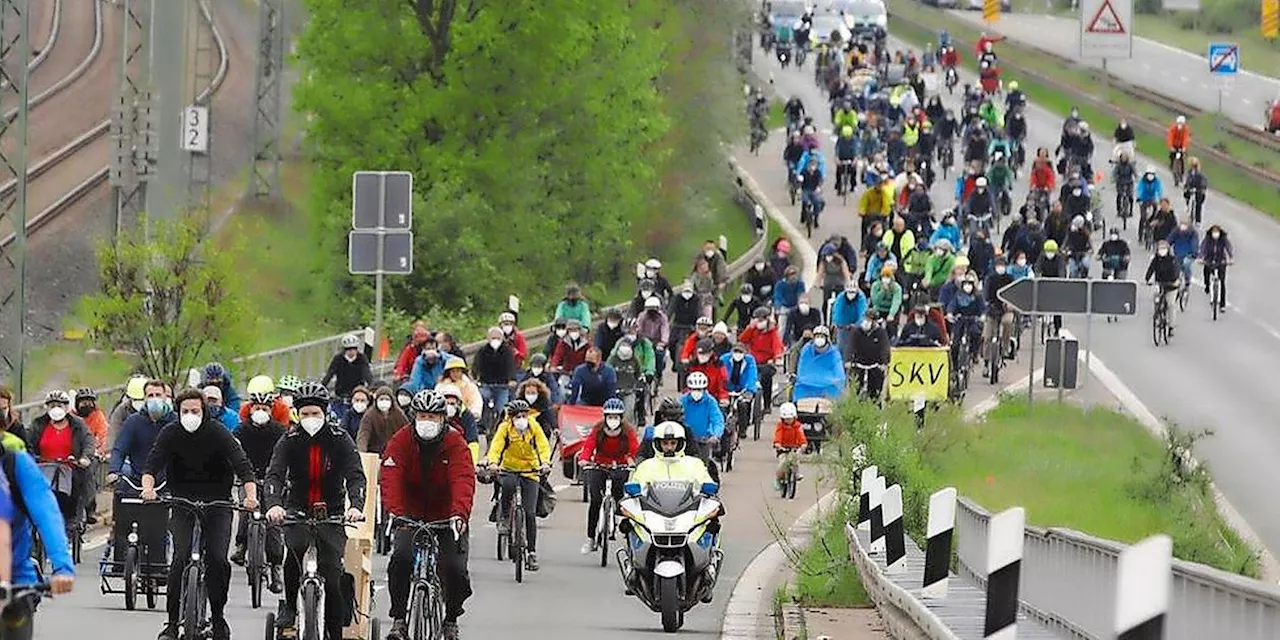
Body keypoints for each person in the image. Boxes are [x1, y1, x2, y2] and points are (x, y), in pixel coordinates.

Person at [141, 388, 258, 640]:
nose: (190, 415)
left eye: (195, 411)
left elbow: (243, 466)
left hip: (218, 504)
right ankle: (172, 624)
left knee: (217, 559)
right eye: (185, 411)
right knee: (179, 558)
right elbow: (152, 463)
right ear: (178, 412)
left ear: (204, 412)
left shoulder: (218, 432)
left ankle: (218, 618)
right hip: (183, 502)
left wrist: (251, 497)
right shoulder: (170, 433)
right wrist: (148, 488)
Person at [264, 382, 366, 639]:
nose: (311, 419)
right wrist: (275, 504)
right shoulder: (289, 440)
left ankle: (335, 633)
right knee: (294, 553)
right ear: (298, 414)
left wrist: (355, 506)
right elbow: (275, 474)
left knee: (332, 575)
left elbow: (355, 476)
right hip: (297, 507)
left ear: (325, 413)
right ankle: (289, 606)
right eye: (305, 414)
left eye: (316, 414)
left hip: (331, 511)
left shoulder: (340, 439)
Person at [380, 390, 474, 640]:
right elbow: (390, 476)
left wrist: (459, 515)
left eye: (433, 417)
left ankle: (451, 619)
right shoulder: (401, 440)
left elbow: (463, 479)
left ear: (443, 419)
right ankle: (399, 620)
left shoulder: (456, 444)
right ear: (414, 417)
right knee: (399, 560)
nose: (427, 422)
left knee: (455, 570)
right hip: (409, 515)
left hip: (445, 517)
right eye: (422, 416)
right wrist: (396, 513)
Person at [229, 392, 285, 593]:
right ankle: (241, 546)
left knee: (273, 523)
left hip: (272, 479)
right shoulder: (241, 430)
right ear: (250, 409)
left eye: (265, 408)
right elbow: (233, 452)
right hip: (248, 478)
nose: (260, 412)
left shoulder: (279, 431)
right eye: (257, 408)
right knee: (246, 509)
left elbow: (285, 457)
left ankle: (276, 568)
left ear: (271, 410)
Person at [485, 400, 551, 571]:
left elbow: (543, 446)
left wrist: (545, 463)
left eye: (524, 415)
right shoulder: (504, 429)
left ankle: (531, 552)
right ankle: (505, 517)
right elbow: (496, 447)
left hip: (531, 470)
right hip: (509, 468)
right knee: (507, 486)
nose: (522, 419)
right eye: (518, 416)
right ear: (511, 418)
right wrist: (493, 462)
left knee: (530, 512)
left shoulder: (533, 427)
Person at [577, 398, 639, 554]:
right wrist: (584, 459)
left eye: (616, 417)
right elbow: (589, 445)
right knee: (596, 501)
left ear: (621, 417)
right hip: (599, 465)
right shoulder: (598, 430)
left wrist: (633, 460)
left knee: (619, 498)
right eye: (610, 417)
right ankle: (591, 539)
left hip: (620, 465)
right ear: (605, 417)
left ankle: (616, 521)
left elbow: (634, 449)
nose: (613, 420)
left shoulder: (628, 431)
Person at [28, 390, 94, 532]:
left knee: (73, 489)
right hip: (44, 469)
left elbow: (88, 442)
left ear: (67, 407)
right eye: (52, 405)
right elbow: (29, 444)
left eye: (60, 405)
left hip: (70, 470)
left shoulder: (78, 424)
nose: (56, 408)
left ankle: (71, 520)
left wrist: (84, 458)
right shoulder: (38, 424)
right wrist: (30, 458)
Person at [73, 388, 109, 524]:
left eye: (89, 402)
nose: (86, 406)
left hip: (91, 455)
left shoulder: (98, 416)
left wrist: (100, 451)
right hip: (73, 455)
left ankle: (90, 510)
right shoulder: (71, 417)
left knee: (88, 476)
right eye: (83, 403)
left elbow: (102, 435)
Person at [321, 334, 375, 421]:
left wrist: (372, 386)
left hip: (357, 391)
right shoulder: (338, 359)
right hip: (341, 391)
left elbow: (367, 373)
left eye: (354, 349)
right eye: (348, 349)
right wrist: (322, 386)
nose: (351, 352)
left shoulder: (361, 358)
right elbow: (329, 374)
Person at [472, 326, 518, 421]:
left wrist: (512, 379)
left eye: (498, 338)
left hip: (502, 386)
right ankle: (482, 424)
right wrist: (474, 378)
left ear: (502, 339)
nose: (495, 340)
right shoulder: (482, 351)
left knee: (502, 408)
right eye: (493, 338)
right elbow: (476, 365)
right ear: (488, 339)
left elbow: (511, 366)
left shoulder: (507, 351)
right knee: (482, 400)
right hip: (485, 385)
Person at [680, 372, 726, 462]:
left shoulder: (710, 401)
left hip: (703, 440)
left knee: (704, 466)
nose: (696, 392)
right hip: (686, 440)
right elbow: (677, 417)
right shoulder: (683, 400)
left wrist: (715, 435)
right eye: (694, 389)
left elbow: (717, 420)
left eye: (699, 389)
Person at [846, 310, 891, 398]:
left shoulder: (881, 333)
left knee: (875, 391)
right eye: (865, 318)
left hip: (874, 365)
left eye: (869, 320)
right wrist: (848, 360)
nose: (866, 321)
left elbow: (884, 348)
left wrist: (884, 363)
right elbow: (850, 346)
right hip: (859, 364)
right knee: (855, 389)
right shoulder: (856, 331)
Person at [793, 325, 845, 401]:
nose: (819, 339)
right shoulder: (806, 350)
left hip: (827, 385)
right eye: (817, 336)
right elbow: (802, 369)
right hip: (807, 385)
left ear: (827, 339)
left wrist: (833, 381)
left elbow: (839, 374)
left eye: (822, 336)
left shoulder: (834, 353)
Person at [720, 342, 760, 438]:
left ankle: (743, 429)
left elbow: (752, 375)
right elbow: (720, 373)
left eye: (740, 352)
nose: (738, 354)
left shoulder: (750, 361)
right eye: (735, 351)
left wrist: (749, 389)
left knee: (743, 404)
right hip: (727, 387)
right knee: (722, 405)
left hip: (743, 388)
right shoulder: (724, 359)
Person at [356, 385, 411, 455]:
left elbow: (407, 432)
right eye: (381, 399)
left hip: (395, 452)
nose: (384, 402)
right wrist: (362, 452)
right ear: (376, 401)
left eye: (387, 399)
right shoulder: (369, 415)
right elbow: (363, 434)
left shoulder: (399, 414)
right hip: (374, 453)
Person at [1145, 240, 1182, 335]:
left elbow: (1177, 271)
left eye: (1164, 248)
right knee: (1156, 298)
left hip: (1171, 285)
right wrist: (1147, 279)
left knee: (1171, 304)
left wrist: (1176, 281)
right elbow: (1151, 269)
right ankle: (1157, 313)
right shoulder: (1156, 259)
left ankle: (1171, 326)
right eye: (1160, 249)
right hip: (1160, 283)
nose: (1162, 250)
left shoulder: (1173, 259)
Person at [437, 383, 481, 462]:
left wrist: (472, 463)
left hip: (459, 454)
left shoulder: (467, 416)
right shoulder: (435, 416)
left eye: (452, 404)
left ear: (458, 404)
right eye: (447, 403)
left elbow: (473, 442)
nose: (449, 407)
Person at [772, 402, 807, 490]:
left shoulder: (797, 426)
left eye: (790, 419)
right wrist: (777, 444)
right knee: (782, 465)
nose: (788, 421)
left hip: (794, 447)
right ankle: (778, 479)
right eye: (786, 419)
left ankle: (797, 473)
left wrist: (803, 444)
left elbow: (801, 436)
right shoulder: (780, 427)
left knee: (795, 460)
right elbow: (778, 435)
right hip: (783, 448)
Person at [1199, 224, 1233, 309]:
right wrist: (1201, 257)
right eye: (1214, 232)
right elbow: (1203, 247)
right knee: (1206, 272)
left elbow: (1228, 247)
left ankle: (1222, 304)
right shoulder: (1208, 239)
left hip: (1220, 260)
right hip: (1209, 259)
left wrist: (1231, 257)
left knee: (1222, 282)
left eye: (1217, 232)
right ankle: (1207, 285)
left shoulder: (1223, 239)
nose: (1215, 234)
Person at [1166, 219, 1200, 289]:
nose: (1183, 226)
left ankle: (1187, 280)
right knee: (1176, 267)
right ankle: (1176, 280)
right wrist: (1165, 247)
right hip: (1178, 253)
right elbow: (1170, 239)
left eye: (1185, 224)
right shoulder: (1176, 231)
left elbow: (1194, 243)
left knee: (1186, 265)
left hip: (1189, 254)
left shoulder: (1193, 233)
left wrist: (1194, 253)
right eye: (1182, 224)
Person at [1183, 157, 1208, 225]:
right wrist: (1186, 187)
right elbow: (1188, 181)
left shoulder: (1200, 173)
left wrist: (1202, 188)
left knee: (1198, 203)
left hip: (1199, 189)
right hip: (1191, 188)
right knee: (1186, 194)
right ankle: (1187, 205)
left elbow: (1204, 181)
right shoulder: (1189, 172)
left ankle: (1198, 220)